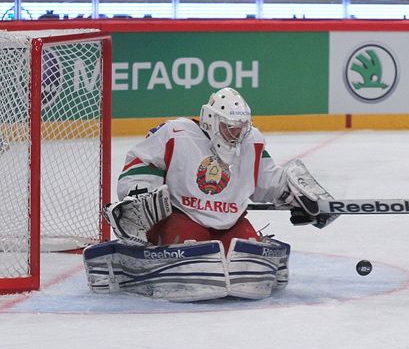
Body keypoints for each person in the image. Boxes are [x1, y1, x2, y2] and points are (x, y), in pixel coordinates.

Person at [83, 87, 334, 302]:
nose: (237, 134)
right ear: (212, 120)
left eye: (242, 127)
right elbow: (141, 162)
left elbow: (266, 180)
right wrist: (140, 195)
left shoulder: (251, 141)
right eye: (230, 127)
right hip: (183, 215)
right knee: (193, 246)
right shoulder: (175, 133)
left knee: (249, 251)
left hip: (230, 220)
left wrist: (295, 196)